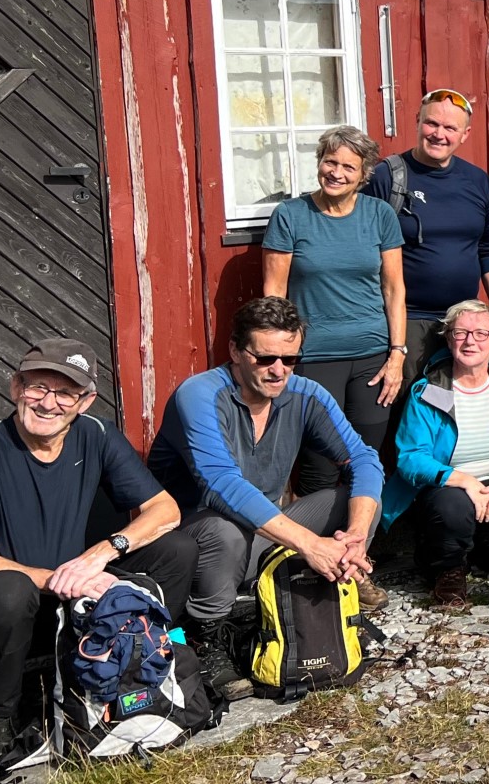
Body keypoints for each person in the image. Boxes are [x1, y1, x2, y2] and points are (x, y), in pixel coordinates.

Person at [0, 340, 197, 773]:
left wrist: (102, 555)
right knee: (7, 591)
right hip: (9, 607)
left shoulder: (98, 434)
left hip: (79, 598)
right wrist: (53, 578)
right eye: (37, 388)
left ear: (84, 402)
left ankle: (151, 665)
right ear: (15, 387)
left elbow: (167, 511)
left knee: (175, 550)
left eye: (64, 393)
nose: (48, 403)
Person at [148, 297, 384, 700]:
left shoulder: (306, 395)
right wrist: (310, 543)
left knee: (352, 499)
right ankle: (206, 636)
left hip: (261, 532)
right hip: (190, 539)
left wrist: (356, 535)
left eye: (290, 360)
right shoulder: (200, 394)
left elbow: (364, 459)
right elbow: (220, 484)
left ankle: (326, 594)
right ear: (236, 352)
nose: (279, 371)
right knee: (225, 527)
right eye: (266, 359)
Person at [382, 300, 489, 609]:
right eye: (461, 333)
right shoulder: (427, 392)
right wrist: (460, 479)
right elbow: (410, 457)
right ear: (449, 339)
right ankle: (449, 568)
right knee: (450, 504)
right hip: (450, 486)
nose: (470, 341)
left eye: (481, 333)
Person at [261, 125, 407, 493]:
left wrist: (397, 355)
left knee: (366, 460)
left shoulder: (379, 215)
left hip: (373, 360)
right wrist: (280, 358)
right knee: (319, 465)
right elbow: (274, 294)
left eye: (348, 167)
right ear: (319, 163)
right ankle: (315, 549)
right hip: (313, 358)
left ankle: (359, 546)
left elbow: (393, 289)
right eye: (330, 162)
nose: (336, 173)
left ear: (363, 175)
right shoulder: (290, 215)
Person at [364, 88, 489, 390]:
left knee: (458, 406)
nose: (438, 134)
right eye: (431, 124)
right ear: (417, 121)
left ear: (465, 134)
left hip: (464, 325)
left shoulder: (476, 181)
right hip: (408, 321)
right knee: (404, 405)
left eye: (450, 128)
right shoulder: (386, 178)